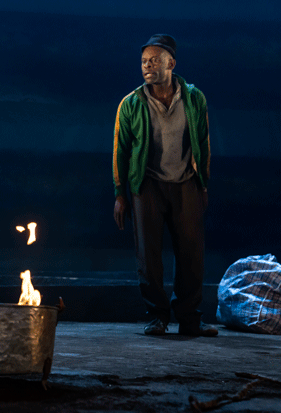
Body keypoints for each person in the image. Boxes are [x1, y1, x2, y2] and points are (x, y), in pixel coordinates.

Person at [112, 35, 217, 337]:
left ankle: (189, 319)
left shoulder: (194, 98)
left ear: (171, 63)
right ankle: (157, 316)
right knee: (149, 256)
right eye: (144, 61)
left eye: (155, 60)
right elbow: (120, 150)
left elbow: (204, 143)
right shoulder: (131, 104)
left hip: (186, 183)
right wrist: (120, 194)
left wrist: (204, 185)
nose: (148, 66)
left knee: (191, 255)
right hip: (147, 186)